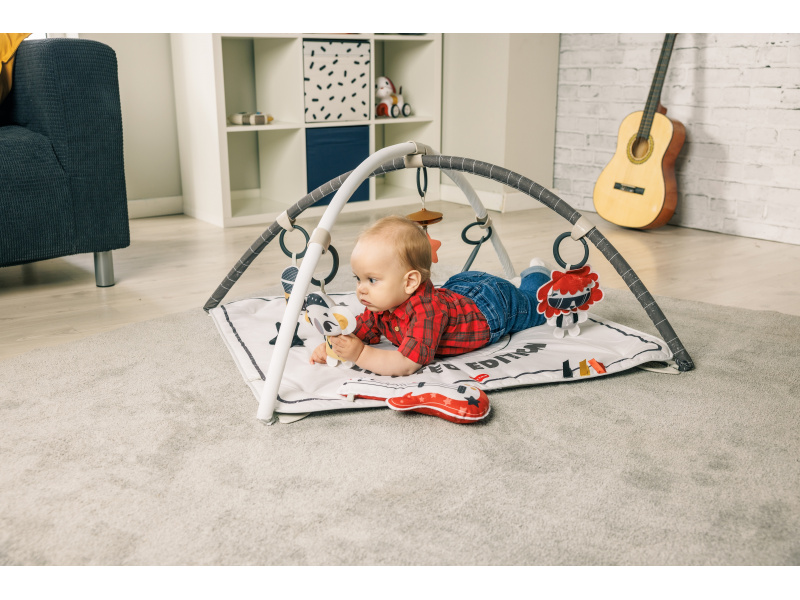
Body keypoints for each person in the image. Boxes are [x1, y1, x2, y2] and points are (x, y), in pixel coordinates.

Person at [309, 215, 551, 376]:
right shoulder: (380, 304)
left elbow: (407, 363)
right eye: (358, 278)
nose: (361, 289)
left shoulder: (426, 312)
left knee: (538, 305)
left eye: (372, 280)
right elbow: (358, 330)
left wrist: (360, 354)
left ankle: (537, 273)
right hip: (459, 288)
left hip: (494, 307)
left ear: (410, 282)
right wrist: (332, 346)